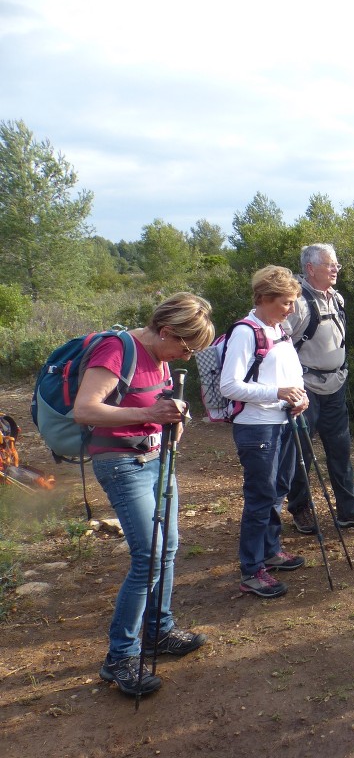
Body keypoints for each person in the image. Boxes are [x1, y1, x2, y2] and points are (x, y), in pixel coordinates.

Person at [76, 292, 215, 697]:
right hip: (121, 463)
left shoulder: (161, 354)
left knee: (167, 547)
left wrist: (174, 417)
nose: (187, 357)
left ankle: (159, 631)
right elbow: (85, 410)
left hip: (157, 456)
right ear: (167, 331)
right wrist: (150, 415)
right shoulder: (117, 350)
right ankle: (120, 656)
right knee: (148, 556)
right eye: (186, 347)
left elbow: (156, 402)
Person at [221, 266, 309, 599]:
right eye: (285, 302)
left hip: (284, 420)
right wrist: (278, 394)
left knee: (279, 488)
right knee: (260, 497)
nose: (291, 309)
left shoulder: (279, 329)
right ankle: (252, 570)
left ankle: (271, 551)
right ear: (264, 298)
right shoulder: (247, 331)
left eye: (293, 302)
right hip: (257, 426)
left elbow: (292, 374)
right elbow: (229, 386)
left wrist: (301, 397)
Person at [286, 244, 354, 533]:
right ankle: (301, 510)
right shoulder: (297, 303)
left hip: (335, 385)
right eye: (330, 265)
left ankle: (349, 511)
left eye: (337, 265)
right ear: (310, 268)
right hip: (305, 390)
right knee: (300, 453)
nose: (335, 269)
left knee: (340, 450)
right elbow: (277, 344)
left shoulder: (336, 299)